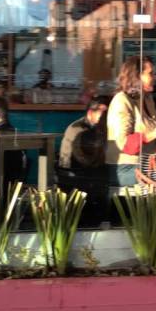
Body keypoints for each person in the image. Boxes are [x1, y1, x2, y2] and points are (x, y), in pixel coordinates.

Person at [105, 56, 156, 193]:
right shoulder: (122, 101)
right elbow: (125, 144)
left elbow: (154, 134)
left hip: (147, 163)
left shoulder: (147, 99)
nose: (155, 77)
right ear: (137, 76)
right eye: (150, 73)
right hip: (126, 168)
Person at [58, 96, 111, 227]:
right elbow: (84, 158)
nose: (105, 116)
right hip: (74, 176)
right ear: (90, 112)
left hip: (84, 175)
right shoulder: (79, 129)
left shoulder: (98, 128)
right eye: (103, 112)